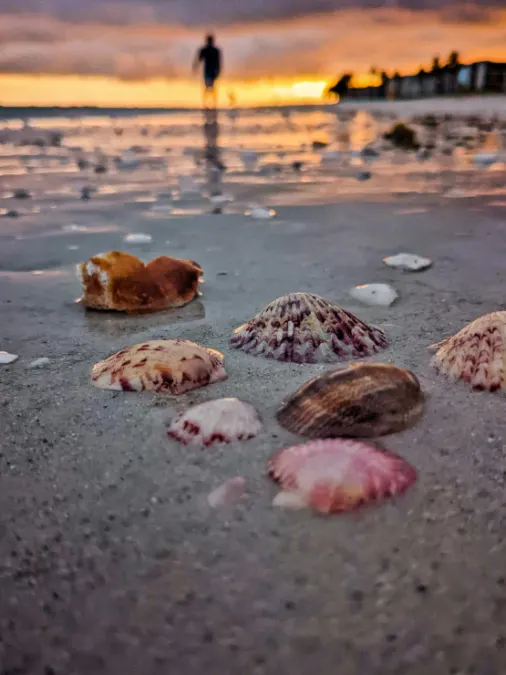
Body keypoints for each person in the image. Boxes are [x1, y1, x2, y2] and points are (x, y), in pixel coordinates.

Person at [193, 34, 222, 107]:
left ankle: (209, 103)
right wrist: (218, 71)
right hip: (212, 71)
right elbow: (218, 62)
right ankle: (210, 103)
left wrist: (195, 67)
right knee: (210, 87)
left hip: (210, 71)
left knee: (209, 87)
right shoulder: (214, 50)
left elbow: (199, 60)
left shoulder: (208, 50)